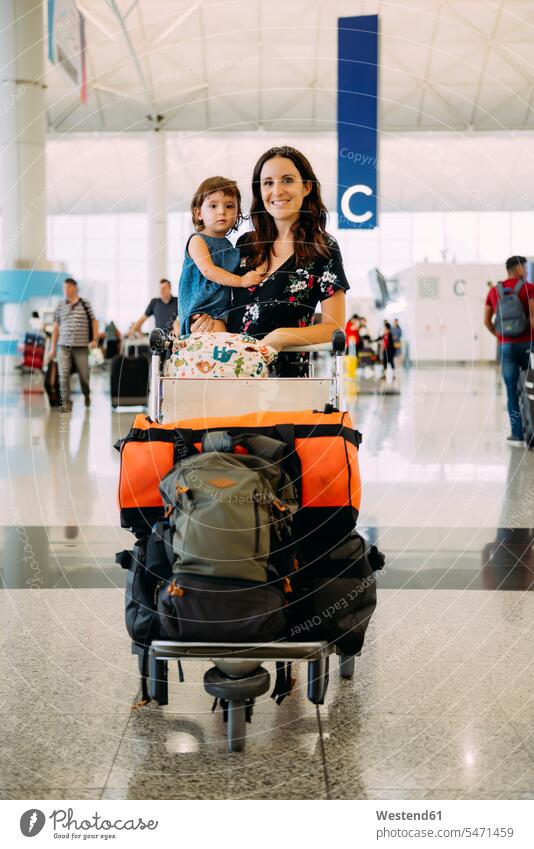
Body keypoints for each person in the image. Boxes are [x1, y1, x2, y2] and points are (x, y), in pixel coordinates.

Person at [191, 146, 348, 376]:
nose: (277, 190)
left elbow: (334, 327)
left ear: (306, 187)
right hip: (230, 376)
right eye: (268, 183)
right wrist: (202, 322)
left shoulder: (322, 249)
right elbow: (218, 298)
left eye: (287, 180)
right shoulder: (246, 245)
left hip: (284, 381)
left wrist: (282, 336)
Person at [178, 176, 263, 336]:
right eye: (213, 206)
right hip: (201, 311)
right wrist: (241, 281)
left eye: (229, 206)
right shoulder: (197, 240)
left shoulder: (230, 245)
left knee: (222, 348)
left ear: (238, 213)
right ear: (198, 213)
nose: (222, 211)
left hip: (220, 311)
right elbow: (209, 271)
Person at [484, 255, 534, 446]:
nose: (527, 271)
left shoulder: (494, 291)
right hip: (528, 345)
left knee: (511, 391)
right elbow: (533, 319)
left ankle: (516, 433)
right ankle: (532, 429)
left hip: (506, 346)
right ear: (519, 268)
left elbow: (486, 321)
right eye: (526, 268)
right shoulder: (529, 288)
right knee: (530, 389)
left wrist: (500, 337)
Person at [49, 277, 98, 411]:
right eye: (64, 288)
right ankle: (67, 403)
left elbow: (94, 321)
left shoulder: (85, 303)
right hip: (63, 346)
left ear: (74, 288)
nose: (65, 290)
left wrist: (95, 339)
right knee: (63, 375)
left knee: (84, 376)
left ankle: (87, 394)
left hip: (81, 346)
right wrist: (52, 348)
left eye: (68, 287)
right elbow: (56, 327)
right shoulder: (60, 305)